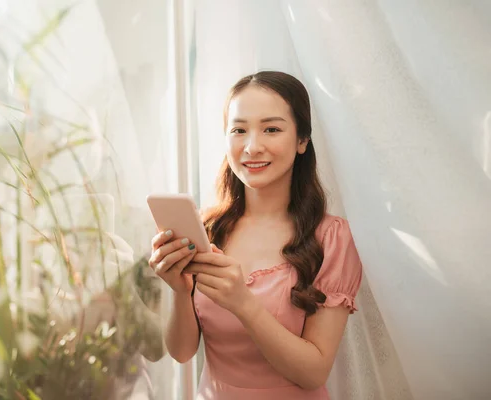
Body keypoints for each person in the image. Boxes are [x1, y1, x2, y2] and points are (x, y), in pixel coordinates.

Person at [148, 71, 363, 399]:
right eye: (238, 130)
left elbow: (313, 372)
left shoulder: (331, 237)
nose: (252, 147)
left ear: (302, 140)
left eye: (272, 129)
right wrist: (180, 290)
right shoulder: (207, 228)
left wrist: (243, 304)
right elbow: (182, 352)